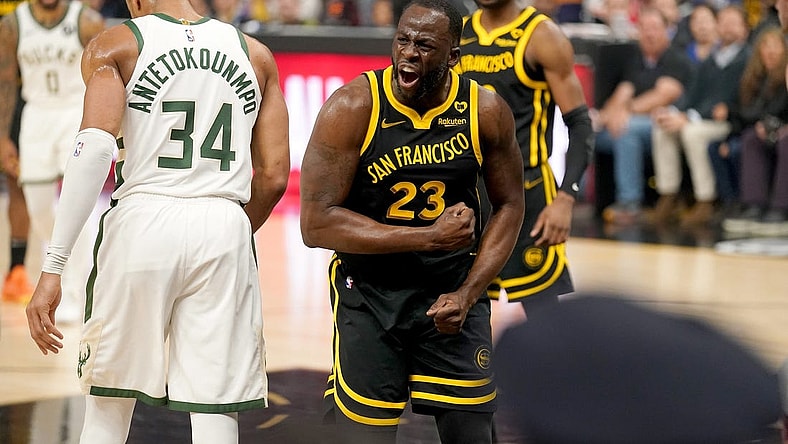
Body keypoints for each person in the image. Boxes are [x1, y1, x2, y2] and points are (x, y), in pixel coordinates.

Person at [24, 0, 291, 441]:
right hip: (224, 222)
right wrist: (234, 229)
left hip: (143, 221)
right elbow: (277, 174)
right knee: (216, 407)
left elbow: (93, 152)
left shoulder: (116, 45)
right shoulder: (255, 54)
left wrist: (54, 267)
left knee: (109, 405)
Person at [299, 0, 525, 442]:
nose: (408, 53)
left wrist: (467, 293)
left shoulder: (484, 110)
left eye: (424, 45)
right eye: (402, 39)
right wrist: (427, 237)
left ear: (453, 57)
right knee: (363, 436)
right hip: (371, 294)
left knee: (472, 433)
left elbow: (511, 205)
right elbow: (316, 224)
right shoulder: (352, 107)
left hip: (453, 291)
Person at [455, 0, 592, 315]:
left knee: (542, 312)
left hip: (526, 191)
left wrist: (565, 199)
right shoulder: (459, 34)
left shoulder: (542, 35)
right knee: (463, 310)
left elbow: (580, 124)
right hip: (470, 195)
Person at [0, 0, 105, 320]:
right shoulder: (12, 25)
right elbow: (5, 83)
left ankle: (77, 289)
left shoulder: (87, 20)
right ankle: (67, 267)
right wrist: (3, 136)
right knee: (38, 206)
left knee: (78, 203)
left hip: (75, 112)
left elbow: (102, 80)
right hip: (36, 117)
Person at [650, 5, 750, 226]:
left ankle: (706, 199)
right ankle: (669, 194)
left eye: (734, 22)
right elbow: (692, 94)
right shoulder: (711, 59)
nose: (727, 28)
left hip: (730, 123)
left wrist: (689, 117)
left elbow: (728, 103)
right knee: (663, 128)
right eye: (723, 22)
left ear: (745, 29)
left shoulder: (747, 59)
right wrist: (673, 112)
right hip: (702, 118)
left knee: (692, 133)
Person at [592, 7, 693, 224]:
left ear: (667, 30)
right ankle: (573, 196)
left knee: (627, 131)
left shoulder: (675, 58)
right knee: (594, 134)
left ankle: (630, 202)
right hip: (633, 124)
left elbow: (664, 94)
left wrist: (626, 112)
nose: (649, 34)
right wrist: (607, 116)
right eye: (644, 28)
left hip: (666, 124)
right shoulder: (636, 59)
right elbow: (623, 91)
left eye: (655, 28)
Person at [721, 27, 788, 235]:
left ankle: (781, 207)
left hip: (783, 130)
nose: (770, 51)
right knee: (750, 138)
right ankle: (753, 204)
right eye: (765, 46)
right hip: (764, 130)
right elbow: (740, 111)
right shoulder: (752, 78)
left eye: (775, 46)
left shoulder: (784, 75)